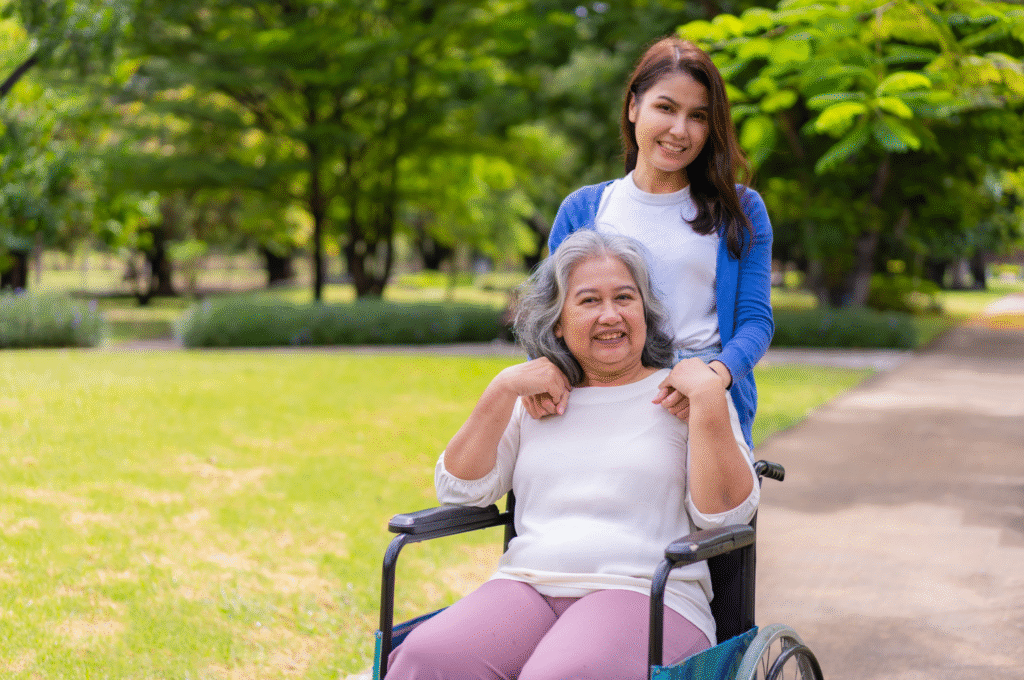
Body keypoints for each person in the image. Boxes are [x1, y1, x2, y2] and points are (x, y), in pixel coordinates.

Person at [385, 230, 760, 680]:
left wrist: (709, 396)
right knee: (426, 658)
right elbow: (459, 490)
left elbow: (726, 516)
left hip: (644, 592)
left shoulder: (683, 395)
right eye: (588, 301)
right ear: (558, 321)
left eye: (625, 297)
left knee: (561, 673)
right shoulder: (536, 399)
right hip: (527, 586)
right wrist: (502, 388)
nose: (610, 315)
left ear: (645, 311)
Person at [541, 36, 774, 451]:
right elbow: (553, 318)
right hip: (603, 392)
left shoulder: (741, 209)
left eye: (698, 116)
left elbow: (755, 322)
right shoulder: (583, 208)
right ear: (634, 107)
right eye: (665, 108)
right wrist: (544, 375)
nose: (679, 130)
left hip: (703, 399)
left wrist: (712, 378)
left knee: (712, 516)